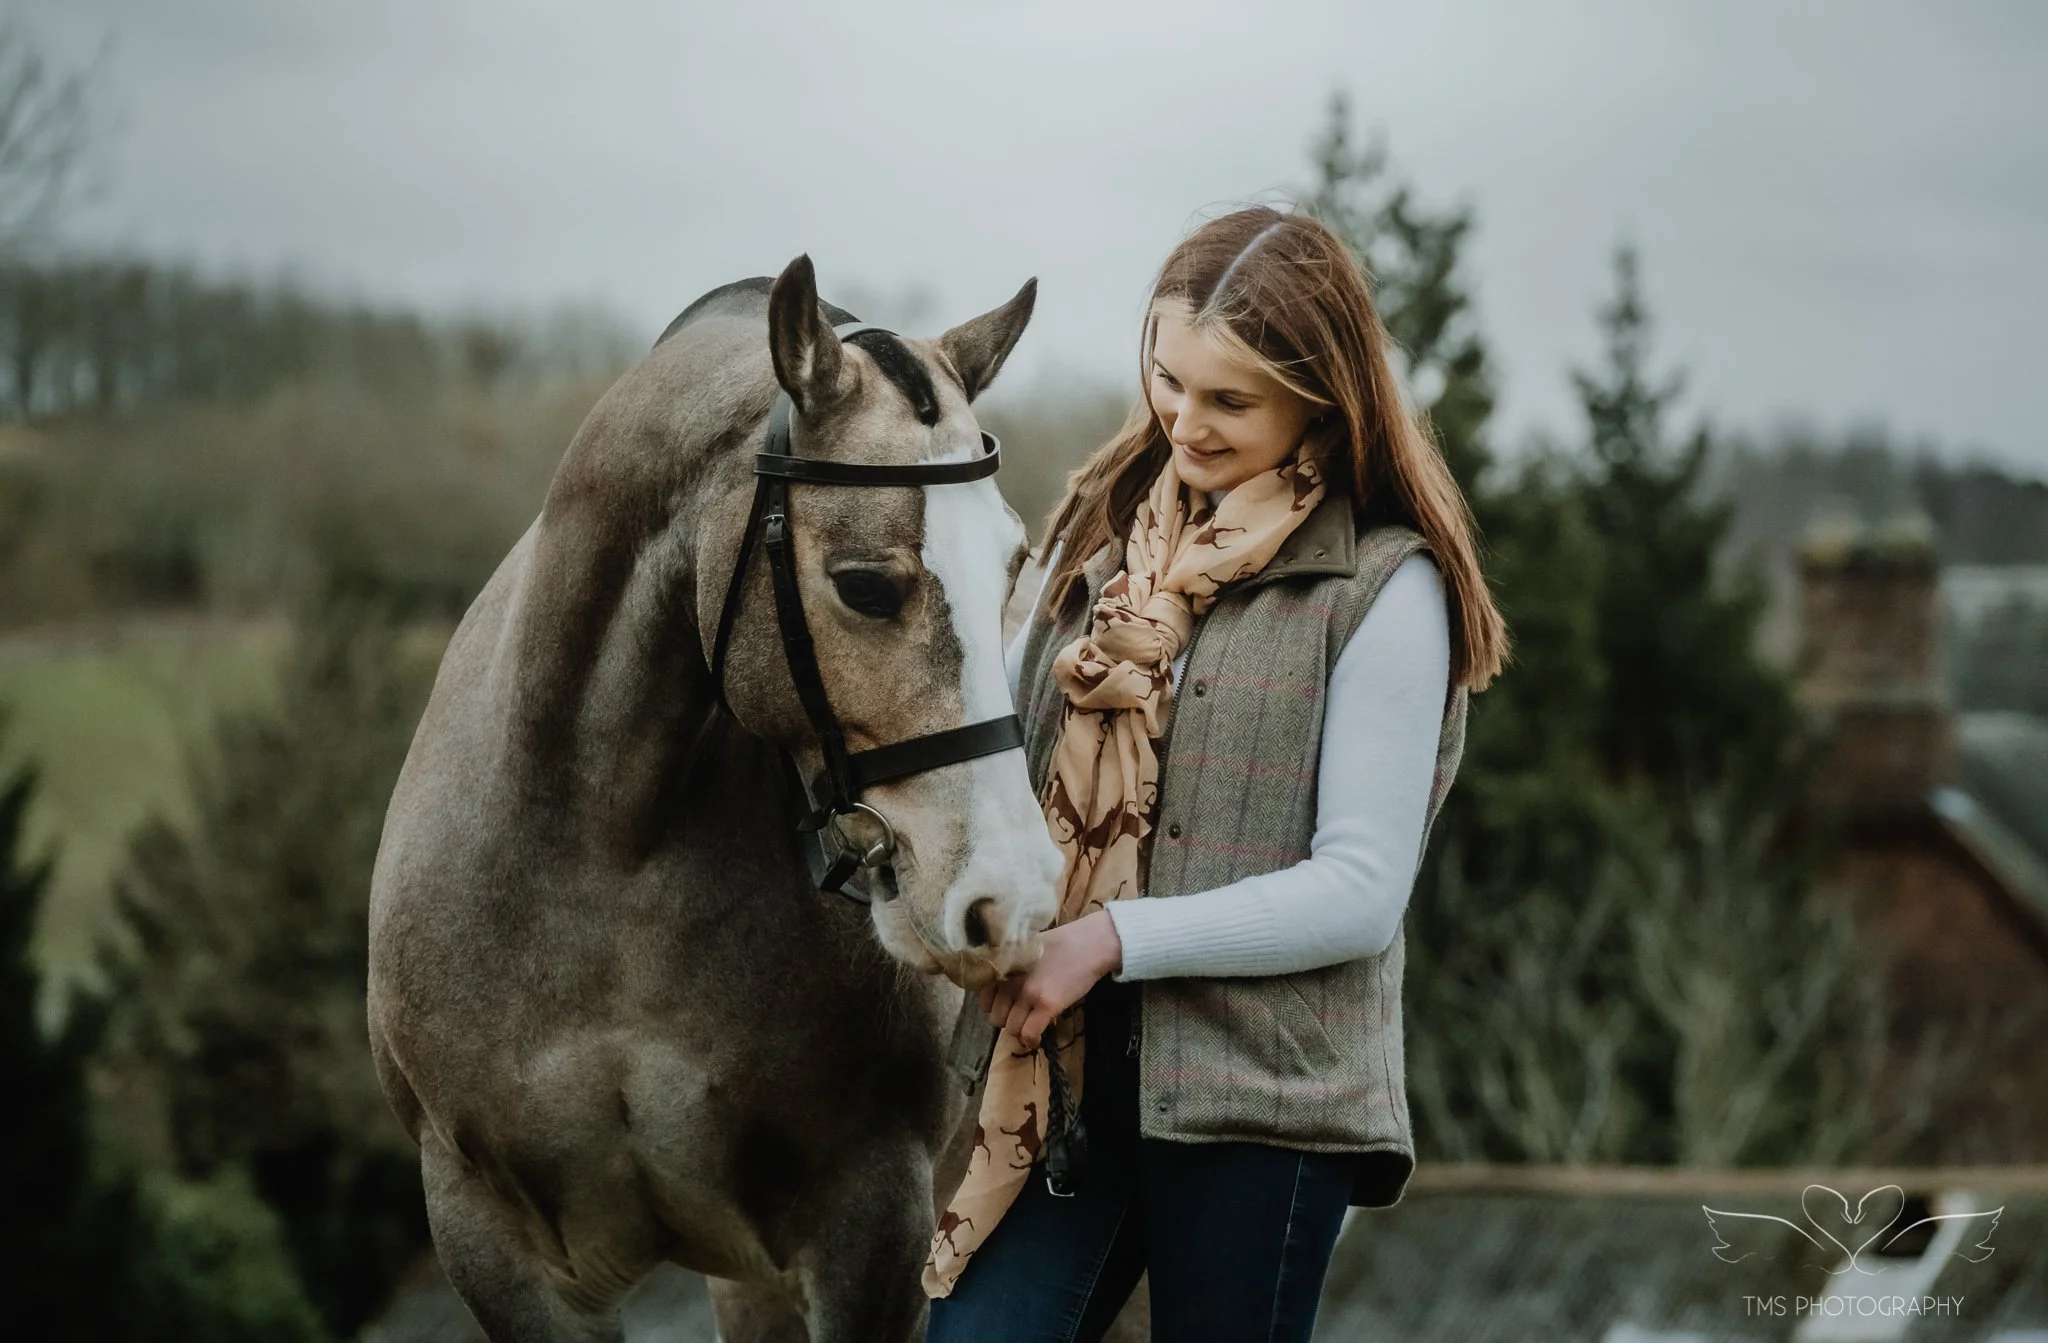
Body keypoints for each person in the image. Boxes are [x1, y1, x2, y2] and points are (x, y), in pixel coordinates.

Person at [921, 205, 1509, 1342]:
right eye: (1167, 378)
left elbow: (1361, 890)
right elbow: (996, 744)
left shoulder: (1385, 587)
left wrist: (1109, 938)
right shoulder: (1097, 538)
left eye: (1229, 401)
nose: (1183, 422)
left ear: (1321, 398)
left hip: (1264, 1106)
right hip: (1064, 1079)